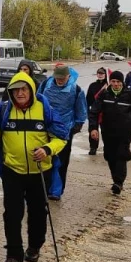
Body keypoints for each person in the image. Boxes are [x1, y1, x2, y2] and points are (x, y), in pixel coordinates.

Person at [0, 72, 67, 262]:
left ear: (31, 90)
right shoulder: (4, 111)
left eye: (24, 89)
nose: (20, 93)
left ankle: (35, 245)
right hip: (12, 171)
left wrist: (47, 149)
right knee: (12, 214)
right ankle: (14, 257)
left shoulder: (45, 110)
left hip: (40, 171)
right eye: (16, 90)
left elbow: (61, 137)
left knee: (38, 213)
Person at [89, 70, 131, 196]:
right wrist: (93, 128)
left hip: (125, 133)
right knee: (110, 156)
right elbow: (94, 112)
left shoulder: (130, 95)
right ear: (110, 82)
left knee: (121, 155)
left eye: (118, 82)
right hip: (108, 132)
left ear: (122, 82)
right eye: (113, 81)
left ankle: (119, 183)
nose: (115, 84)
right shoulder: (104, 94)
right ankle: (115, 180)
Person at [41, 63, 87, 199]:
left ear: (68, 76)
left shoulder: (76, 90)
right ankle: (43, 189)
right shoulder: (45, 85)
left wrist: (74, 129)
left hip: (64, 132)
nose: (60, 80)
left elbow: (81, 111)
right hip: (44, 129)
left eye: (63, 78)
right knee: (43, 159)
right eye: (57, 77)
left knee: (61, 162)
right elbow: (37, 101)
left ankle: (56, 191)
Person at [85, 67, 108, 155]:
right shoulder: (92, 85)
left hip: (105, 112)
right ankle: (93, 147)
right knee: (93, 129)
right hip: (94, 111)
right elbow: (88, 99)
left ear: (105, 75)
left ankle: (107, 147)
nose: (100, 75)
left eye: (102, 73)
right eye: (99, 73)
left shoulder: (108, 85)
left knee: (105, 131)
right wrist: (88, 110)